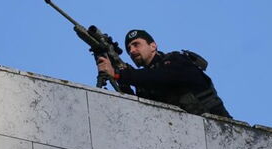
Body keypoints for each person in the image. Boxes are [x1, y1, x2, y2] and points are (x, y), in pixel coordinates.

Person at [96, 29, 231, 118]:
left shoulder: (176, 60)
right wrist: (118, 76)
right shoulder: (144, 83)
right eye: (129, 49)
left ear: (153, 46)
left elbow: (159, 77)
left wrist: (120, 74)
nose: (132, 51)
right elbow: (139, 108)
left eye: (136, 44)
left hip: (217, 126)